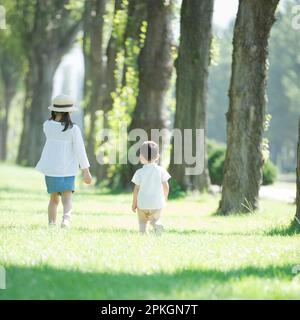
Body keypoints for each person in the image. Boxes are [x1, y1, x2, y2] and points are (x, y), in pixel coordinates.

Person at [36, 94, 92, 228]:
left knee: (54, 199)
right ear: (70, 112)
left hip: (52, 170)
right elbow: (80, 150)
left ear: (54, 110)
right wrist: (86, 171)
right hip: (67, 169)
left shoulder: (47, 125)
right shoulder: (74, 129)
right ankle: (66, 220)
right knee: (67, 199)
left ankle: (51, 224)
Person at [131, 141, 171, 234]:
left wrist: (134, 203)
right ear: (157, 157)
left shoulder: (139, 172)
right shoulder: (161, 170)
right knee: (155, 219)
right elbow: (166, 186)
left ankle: (143, 234)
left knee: (142, 223)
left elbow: (136, 189)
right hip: (157, 203)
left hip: (142, 203)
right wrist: (165, 197)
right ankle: (157, 225)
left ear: (141, 156)